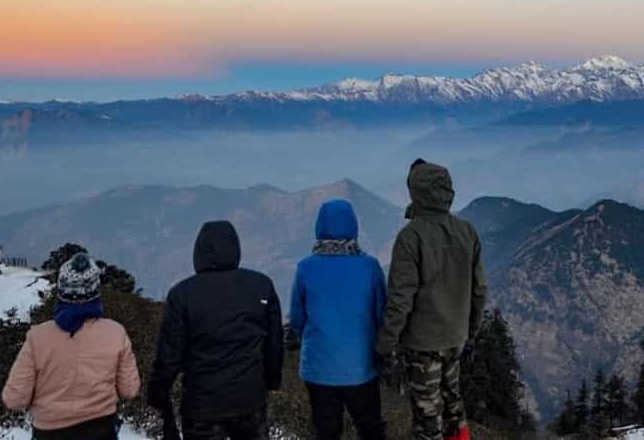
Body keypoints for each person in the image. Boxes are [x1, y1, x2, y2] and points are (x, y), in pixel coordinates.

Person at [376, 159, 488, 440]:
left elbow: (401, 299)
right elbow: (479, 290)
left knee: (428, 419)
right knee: (454, 404)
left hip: (422, 345)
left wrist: (385, 345)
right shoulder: (467, 231)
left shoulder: (411, 236)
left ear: (416, 192)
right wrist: (470, 331)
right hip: (456, 337)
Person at [148, 220, 284, 440]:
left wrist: (158, 393)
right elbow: (274, 344)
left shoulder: (182, 294)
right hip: (249, 398)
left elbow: (168, 356)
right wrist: (271, 380)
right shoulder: (261, 285)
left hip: (202, 404)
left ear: (198, 252)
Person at [3, 253, 141, 440]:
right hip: (101, 430)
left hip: (49, 433)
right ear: (96, 292)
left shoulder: (38, 338)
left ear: (61, 291)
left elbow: (14, 399)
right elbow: (129, 390)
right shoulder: (115, 333)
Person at [290, 199, 388, 440]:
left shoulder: (306, 268)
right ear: (353, 226)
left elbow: (297, 318)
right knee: (370, 429)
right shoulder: (370, 267)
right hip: (361, 367)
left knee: (327, 432)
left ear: (319, 227)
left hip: (318, 369)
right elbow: (382, 314)